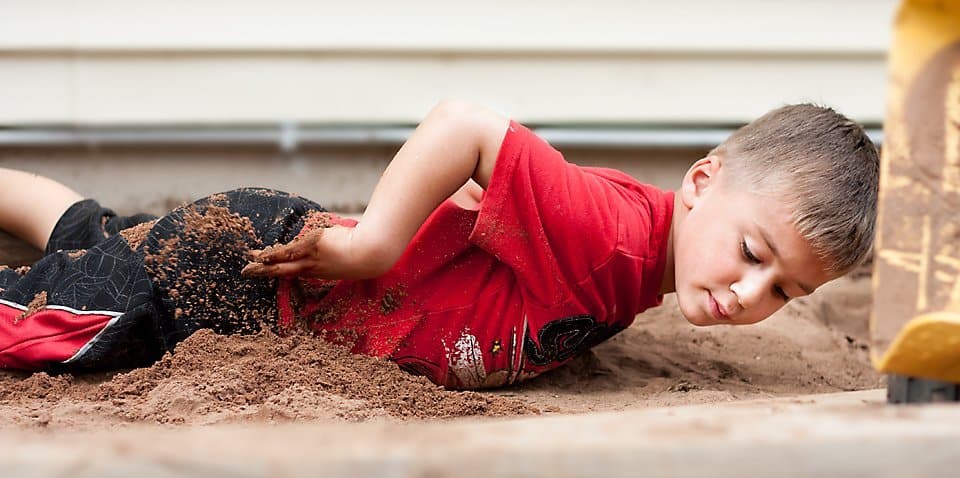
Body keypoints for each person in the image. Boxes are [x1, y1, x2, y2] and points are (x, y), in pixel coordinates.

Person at [0, 100, 879, 389]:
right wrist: (382, 245)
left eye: (784, 294)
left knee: (97, 248)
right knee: (61, 329)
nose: (751, 296)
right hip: (242, 286)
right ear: (701, 183)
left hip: (272, 254)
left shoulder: (649, 248)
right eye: (757, 256)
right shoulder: (612, 235)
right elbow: (466, 125)